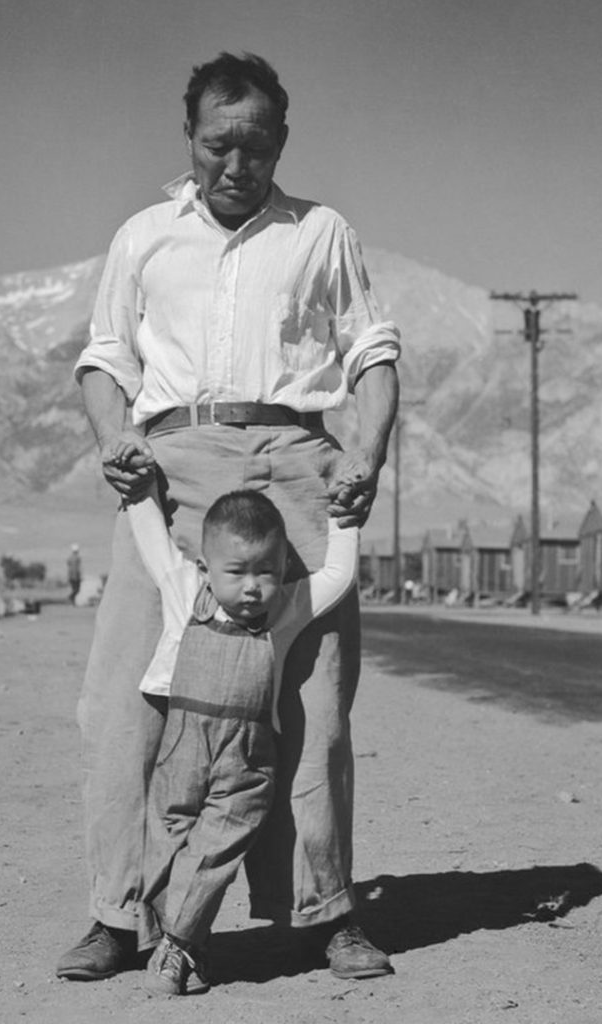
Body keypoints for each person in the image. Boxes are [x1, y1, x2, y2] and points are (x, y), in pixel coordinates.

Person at [56, 51, 400, 983]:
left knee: (312, 704)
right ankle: (118, 913)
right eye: (218, 145)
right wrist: (113, 436)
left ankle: (328, 912)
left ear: (280, 142)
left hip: (295, 463)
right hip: (171, 470)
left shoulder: (321, 233)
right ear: (192, 140)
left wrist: (363, 454)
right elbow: (102, 360)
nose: (235, 165)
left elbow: (371, 355)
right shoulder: (143, 237)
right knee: (123, 698)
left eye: (254, 146)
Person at [114, 452, 360, 994]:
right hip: (182, 750)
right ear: (206, 566)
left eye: (266, 572)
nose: (253, 587)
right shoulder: (185, 593)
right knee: (166, 842)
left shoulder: (285, 613)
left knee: (217, 847)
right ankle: (177, 944)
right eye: (238, 571)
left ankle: (177, 950)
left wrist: (345, 518)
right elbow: (153, 536)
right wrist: (140, 488)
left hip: (246, 762)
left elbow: (338, 575)